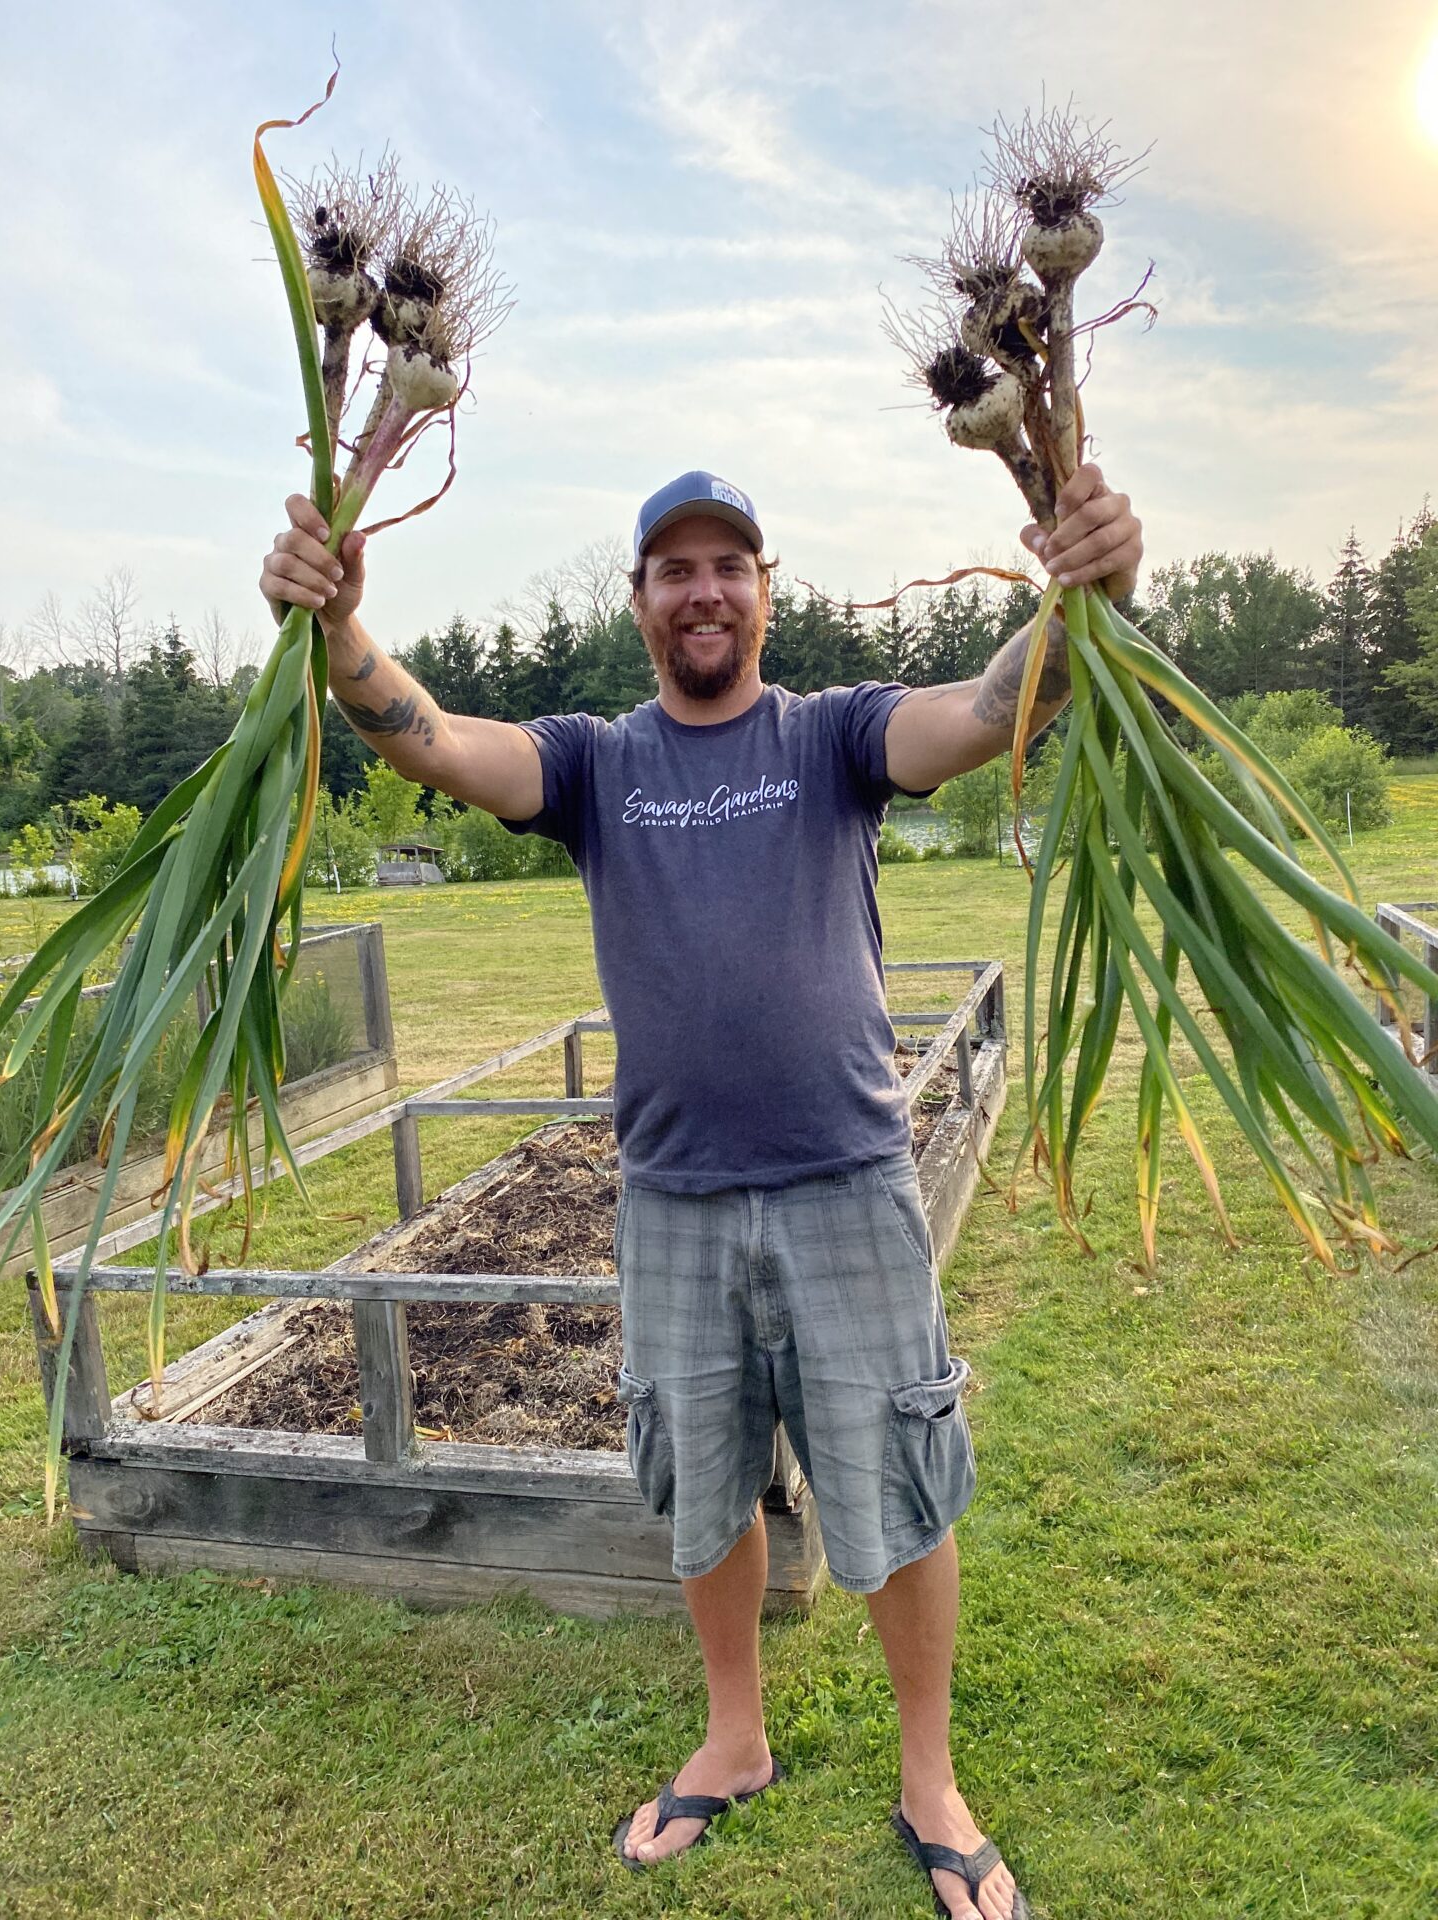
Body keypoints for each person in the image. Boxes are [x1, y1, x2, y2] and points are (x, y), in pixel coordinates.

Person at [260, 464, 1141, 1920]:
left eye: (729, 562)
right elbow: (441, 748)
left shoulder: (834, 737)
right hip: (671, 1196)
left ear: (766, 589)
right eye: (675, 568)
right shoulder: (600, 764)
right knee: (704, 1484)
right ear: (642, 603)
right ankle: (735, 1741)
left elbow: (984, 714)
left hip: (847, 1187)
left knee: (902, 1485)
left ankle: (931, 1778)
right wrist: (346, 633)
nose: (705, 588)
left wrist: (1077, 599)